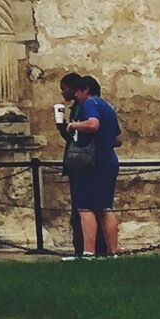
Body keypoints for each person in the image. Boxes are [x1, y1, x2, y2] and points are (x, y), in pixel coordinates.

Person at [56, 73, 122, 259]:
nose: (75, 96)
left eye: (78, 92)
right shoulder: (108, 107)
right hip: (109, 160)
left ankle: (88, 252)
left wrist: (73, 126)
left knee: (85, 208)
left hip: (92, 162)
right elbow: (118, 140)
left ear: (85, 90)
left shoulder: (89, 104)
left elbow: (93, 124)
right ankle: (112, 253)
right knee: (104, 208)